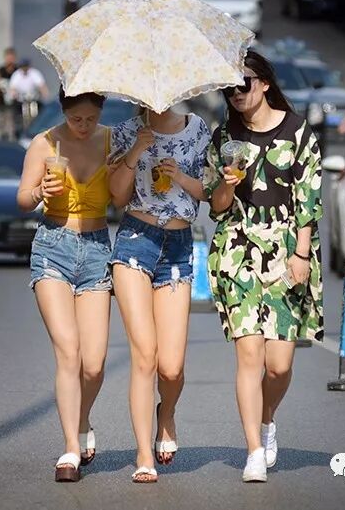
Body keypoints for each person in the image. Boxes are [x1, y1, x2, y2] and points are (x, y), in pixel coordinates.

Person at [203, 50, 324, 483]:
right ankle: (253, 449)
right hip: (236, 248)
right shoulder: (224, 137)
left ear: (265, 83)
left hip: (286, 248)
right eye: (229, 89)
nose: (236, 94)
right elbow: (216, 206)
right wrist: (225, 184)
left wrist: (302, 254)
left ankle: (267, 418)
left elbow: (309, 198)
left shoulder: (298, 132)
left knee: (279, 365)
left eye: (244, 84)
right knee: (249, 354)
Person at [108, 106, 212, 483]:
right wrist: (137, 149)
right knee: (145, 355)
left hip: (179, 246)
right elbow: (117, 196)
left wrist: (180, 175)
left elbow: (210, 193)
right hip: (136, 240)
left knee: (171, 367)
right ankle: (142, 454)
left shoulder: (197, 129)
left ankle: (165, 414)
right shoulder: (126, 131)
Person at [16, 89, 114, 483]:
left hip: (97, 250)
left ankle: (82, 417)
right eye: (76, 119)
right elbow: (22, 198)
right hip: (53, 247)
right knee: (68, 352)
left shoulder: (111, 141)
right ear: (64, 111)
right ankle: (70, 449)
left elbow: (124, 196)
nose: (83, 126)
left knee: (95, 364)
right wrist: (40, 192)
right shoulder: (44, 144)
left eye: (91, 118)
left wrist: (135, 156)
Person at [8, 59, 50, 138]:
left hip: (34, 99)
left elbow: (41, 85)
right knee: (17, 115)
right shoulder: (16, 75)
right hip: (21, 100)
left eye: (26, 66)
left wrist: (45, 94)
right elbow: (12, 88)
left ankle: (40, 128)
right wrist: (13, 94)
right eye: (23, 67)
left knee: (42, 111)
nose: (24, 69)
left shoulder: (34, 73)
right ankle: (19, 130)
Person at [0, 48, 18, 139]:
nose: (10, 60)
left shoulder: (17, 70)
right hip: (2, 99)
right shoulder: (1, 70)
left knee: (13, 118)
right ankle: (3, 136)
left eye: (11, 58)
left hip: (14, 100)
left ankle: (13, 136)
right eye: (8, 58)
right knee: (2, 119)